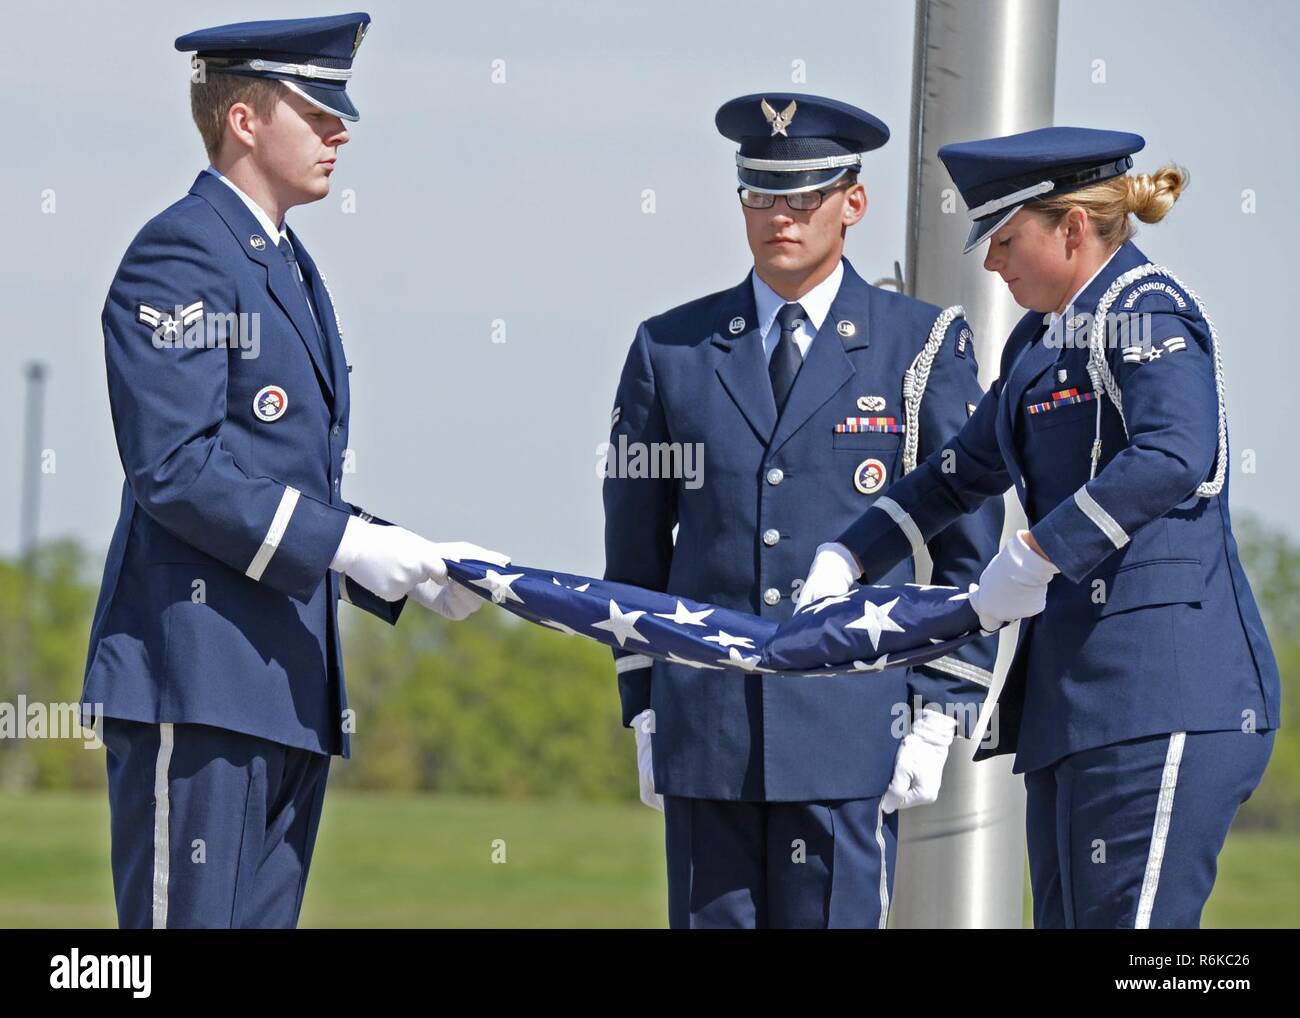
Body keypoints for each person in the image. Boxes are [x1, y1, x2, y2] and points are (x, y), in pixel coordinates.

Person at [80, 13, 508, 928]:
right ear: (244, 119)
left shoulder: (285, 266)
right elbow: (178, 468)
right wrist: (348, 545)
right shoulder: (183, 252)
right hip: (197, 676)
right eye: (318, 109)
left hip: (282, 688)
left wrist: (404, 557)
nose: (340, 130)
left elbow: (280, 480)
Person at [800, 126, 1280, 928]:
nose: (991, 262)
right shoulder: (1038, 339)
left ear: (1071, 228)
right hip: (1078, 705)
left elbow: (1176, 453)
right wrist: (849, 553)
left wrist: (1037, 550)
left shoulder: (1144, 308)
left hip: (1160, 692)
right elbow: (958, 476)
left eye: (1004, 239)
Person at [603, 92, 1003, 928]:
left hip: (852, 730)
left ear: (853, 202)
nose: (779, 216)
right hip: (708, 730)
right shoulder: (668, 349)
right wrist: (643, 701)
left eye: (804, 196)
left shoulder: (919, 345)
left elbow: (969, 552)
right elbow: (635, 548)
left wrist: (940, 704)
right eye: (760, 194)